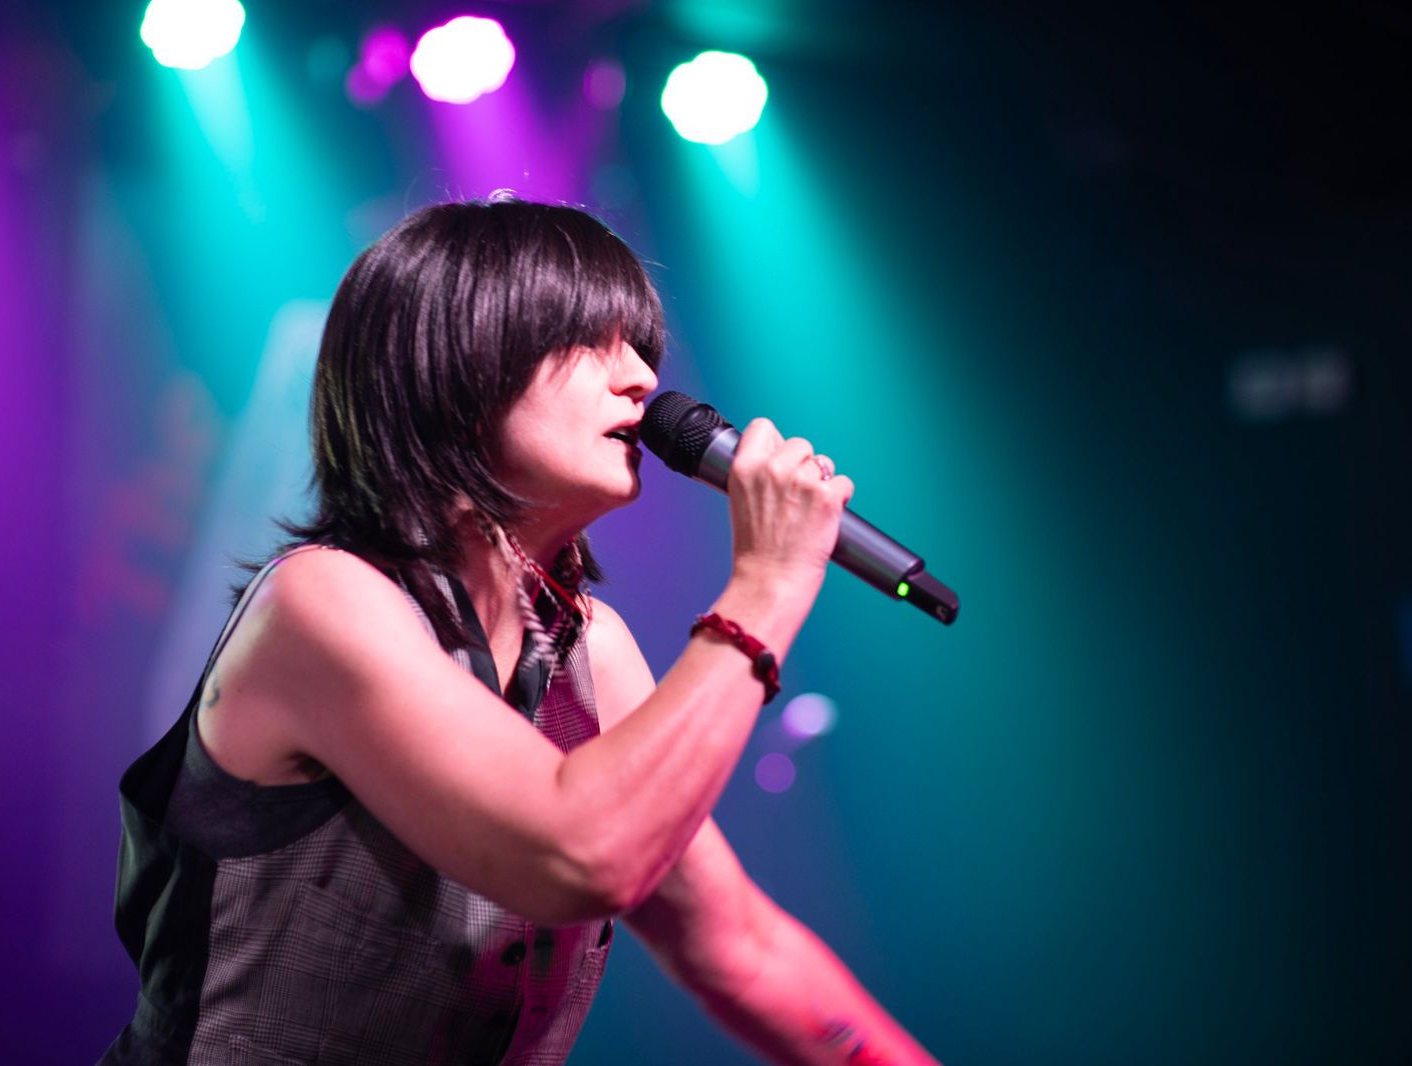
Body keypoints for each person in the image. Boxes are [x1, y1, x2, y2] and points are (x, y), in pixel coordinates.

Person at [101, 197, 939, 1066]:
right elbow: (580, 855)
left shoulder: (589, 651)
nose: (641, 379)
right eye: (590, 341)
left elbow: (741, 952)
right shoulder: (321, 601)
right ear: (453, 371)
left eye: (640, 347)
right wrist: (768, 582)